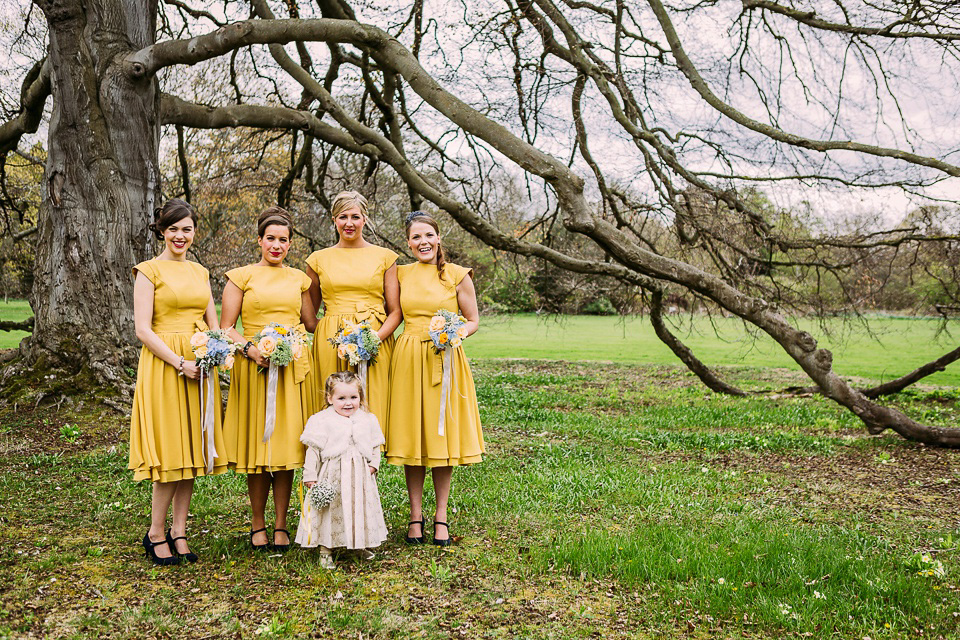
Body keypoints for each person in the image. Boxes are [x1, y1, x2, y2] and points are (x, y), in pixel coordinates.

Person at [130, 198, 227, 565]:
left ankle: (180, 530)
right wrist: (179, 362)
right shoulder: (148, 270)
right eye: (173, 229)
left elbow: (214, 324)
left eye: (186, 229)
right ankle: (155, 531)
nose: (180, 236)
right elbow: (142, 328)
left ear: (194, 232)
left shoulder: (201, 273)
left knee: (193, 450)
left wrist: (215, 353)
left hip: (200, 367)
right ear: (161, 230)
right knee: (171, 450)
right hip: (166, 365)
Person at [221, 207, 318, 552]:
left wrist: (352, 332)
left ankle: (281, 524)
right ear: (260, 240)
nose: (277, 246)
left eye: (283, 240)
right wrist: (250, 349)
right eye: (271, 239)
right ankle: (258, 523)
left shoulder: (299, 280)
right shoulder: (240, 277)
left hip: (291, 369)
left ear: (290, 244)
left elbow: (310, 323)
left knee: (287, 447)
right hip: (254, 369)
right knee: (260, 449)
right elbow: (226, 327)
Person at [386, 212, 484, 546]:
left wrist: (455, 333)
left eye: (428, 235)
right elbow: (393, 313)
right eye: (416, 237)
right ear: (409, 242)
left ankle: (440, 515)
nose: (423, 242)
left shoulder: (457, 275)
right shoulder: (400, 273)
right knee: (413, 437)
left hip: (446, 358)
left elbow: (472, 319)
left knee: (441, 437)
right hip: (409, 355)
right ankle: (416, 516)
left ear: (438, 237)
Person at [305, 191, 401, 427]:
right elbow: (309, 318)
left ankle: (369, 461)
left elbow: (396, 311)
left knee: (371, 403)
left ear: (365, 219)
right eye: (343, 217)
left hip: (375, 339)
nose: (349, 223)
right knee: (332, 407)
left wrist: (374, 338)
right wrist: (331, 330)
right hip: (332, 344)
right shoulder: (317, 259)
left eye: (355, 217)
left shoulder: (386, 257)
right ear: (334, 219)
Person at [295, 371, 388, 568]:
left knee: (358, 508)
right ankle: (325, 549)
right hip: (332, 476)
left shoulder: (367, 419)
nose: (348, 403)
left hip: (359, 477)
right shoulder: (321, 420)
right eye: (341, 398)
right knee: (331, 510)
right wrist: (310, 475)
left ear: (360, 397)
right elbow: (313, 451)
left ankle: (358, 543)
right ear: (330, 398)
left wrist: (373, 465)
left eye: (354, 397)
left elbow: (375, 445)